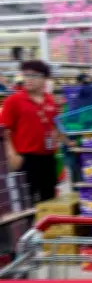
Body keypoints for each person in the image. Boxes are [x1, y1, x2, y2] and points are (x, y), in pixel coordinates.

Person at [0, 61, 64, 203]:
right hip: (25, 158)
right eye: (26, 75)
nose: (28, 79)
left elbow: (55, 125)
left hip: (48, 157)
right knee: (26, 200)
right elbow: (5, 131)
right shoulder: (13, 101)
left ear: (45, 79)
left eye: (34, 75)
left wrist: (62, 139)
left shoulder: (50, 100)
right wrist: (11, 154)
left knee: (49, 198)